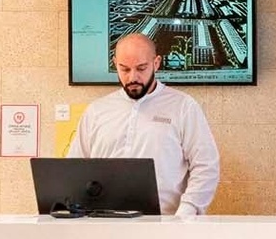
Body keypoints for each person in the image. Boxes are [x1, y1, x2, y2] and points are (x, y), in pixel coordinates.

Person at [66, 32, 221, 216]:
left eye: (141, 68)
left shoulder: (183, 107)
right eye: (125, 69)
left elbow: (206, 165)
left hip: (165, 224)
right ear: (115, 64)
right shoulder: (96, 111)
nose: (133, 77)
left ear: (156, 63)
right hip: (103, 223)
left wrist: (185, 213)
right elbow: (74, 167)